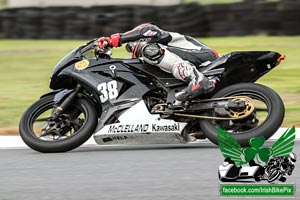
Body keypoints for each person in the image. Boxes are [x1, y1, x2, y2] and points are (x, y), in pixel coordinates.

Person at [97, 23, 220, 102]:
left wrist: (116, 39)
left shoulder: (159, 38)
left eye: (133, 50)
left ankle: (197, 79)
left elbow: (148, 29)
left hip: (205, 56)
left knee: (150, 51)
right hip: (206, 68)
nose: (134, 54)